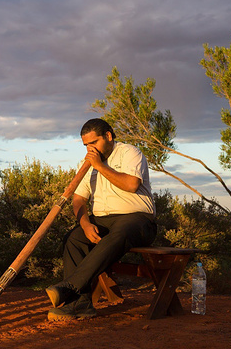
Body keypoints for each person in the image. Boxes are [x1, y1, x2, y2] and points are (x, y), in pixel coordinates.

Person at [46, 118, 157, 321]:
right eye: (86, 145)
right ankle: (79, 305)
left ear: (108, 136)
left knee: (119, 233)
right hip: (103, 220)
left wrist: (99, 166)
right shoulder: (86, 164)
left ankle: (70, 287)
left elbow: (132, 185)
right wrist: (86, 224)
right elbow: (79, 199)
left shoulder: (130, 153)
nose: (90, 149)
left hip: (138, 220)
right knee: (74, 239)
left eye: (94, 142)